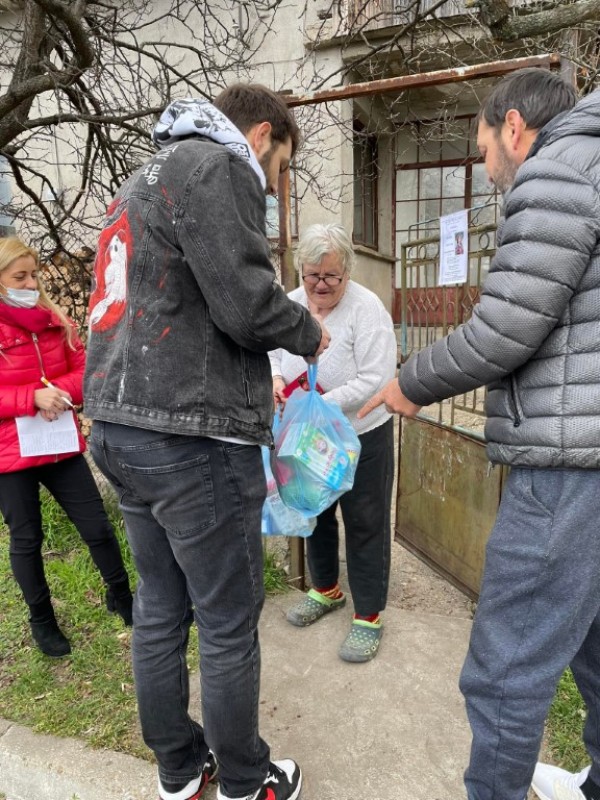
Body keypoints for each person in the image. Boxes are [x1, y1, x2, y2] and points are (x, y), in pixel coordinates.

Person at [359, 69, 600, 800]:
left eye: (484, 145)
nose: (487, 164)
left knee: (505, 668)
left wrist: (408, 381)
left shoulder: (557, 171)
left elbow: (504, 330)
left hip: (568, 466)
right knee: (591, 644)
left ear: (515, 128)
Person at [84, 84, 329, 800]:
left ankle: (180, 771)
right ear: (260, 135)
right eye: (280, 169)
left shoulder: (142, 176)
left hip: (121, 426)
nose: (275, 188)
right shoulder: (217, 167)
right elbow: (249, 306)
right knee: (226, 623)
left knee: (161, 606)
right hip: (193, 435)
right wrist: (311, 334)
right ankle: (247, 782)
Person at [0, 237, 133, 658]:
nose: (30, 282)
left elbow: (84, 369)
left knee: (96, 525)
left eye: (33, 274)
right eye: (19, 276)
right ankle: (42, 620)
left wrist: (59, 389)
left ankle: (122, 596)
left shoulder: (53, 318)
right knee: (27, 538)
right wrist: (30, 398)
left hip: (58, 442)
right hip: (11, 451)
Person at [270, 223, 397, 663]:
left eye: (332, 277)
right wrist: (277, 379)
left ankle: (368, 615)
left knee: (365, 520)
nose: (320, 285)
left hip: (361, 433)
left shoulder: (367, 308)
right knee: (315, 511)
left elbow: (377, 377)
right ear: (299, 270)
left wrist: (320, 402)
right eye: (312, 275)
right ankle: (325, 590)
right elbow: (272, 353)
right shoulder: (288, 305)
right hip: (308, 437)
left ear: (348, 272)